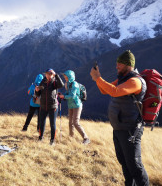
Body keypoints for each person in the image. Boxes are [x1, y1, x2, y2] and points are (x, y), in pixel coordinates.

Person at [90, 50, 149, 186]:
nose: (117, 66)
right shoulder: (124, 79)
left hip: (130, 129)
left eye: (120, 64)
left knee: (135, 165)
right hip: (119, 127)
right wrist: (97, 79)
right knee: (125, 163)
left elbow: (115, 92)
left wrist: (98, 77)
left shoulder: (135, 81)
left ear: (129, 66)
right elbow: (105, 90)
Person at [58, 70, 90, 145]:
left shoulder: (74, 84)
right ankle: (71, 137)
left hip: (77, 105)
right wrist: (62, 95)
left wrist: (63, 96)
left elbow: (72, 96)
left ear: (70, 77)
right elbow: (67, 93)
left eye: (66, 76)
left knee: (75, 123)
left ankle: (86, 138)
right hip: (71, 105)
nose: (65, 78)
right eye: (65, 76)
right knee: (70, 123)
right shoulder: (67, 84)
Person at [35, 68, 64, 145]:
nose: (48, 75)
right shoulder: (43, 82)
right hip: (43, 106)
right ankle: (40, 138)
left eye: (50, 74)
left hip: (53, 106)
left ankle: (52, 141)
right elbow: (38, 94)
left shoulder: (54, 82)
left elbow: (61, 85)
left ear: (52, 74)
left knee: (52, 124)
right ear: (45, 74)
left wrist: (56, 75)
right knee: (41, 123)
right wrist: (36, 91)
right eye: (47, 74)